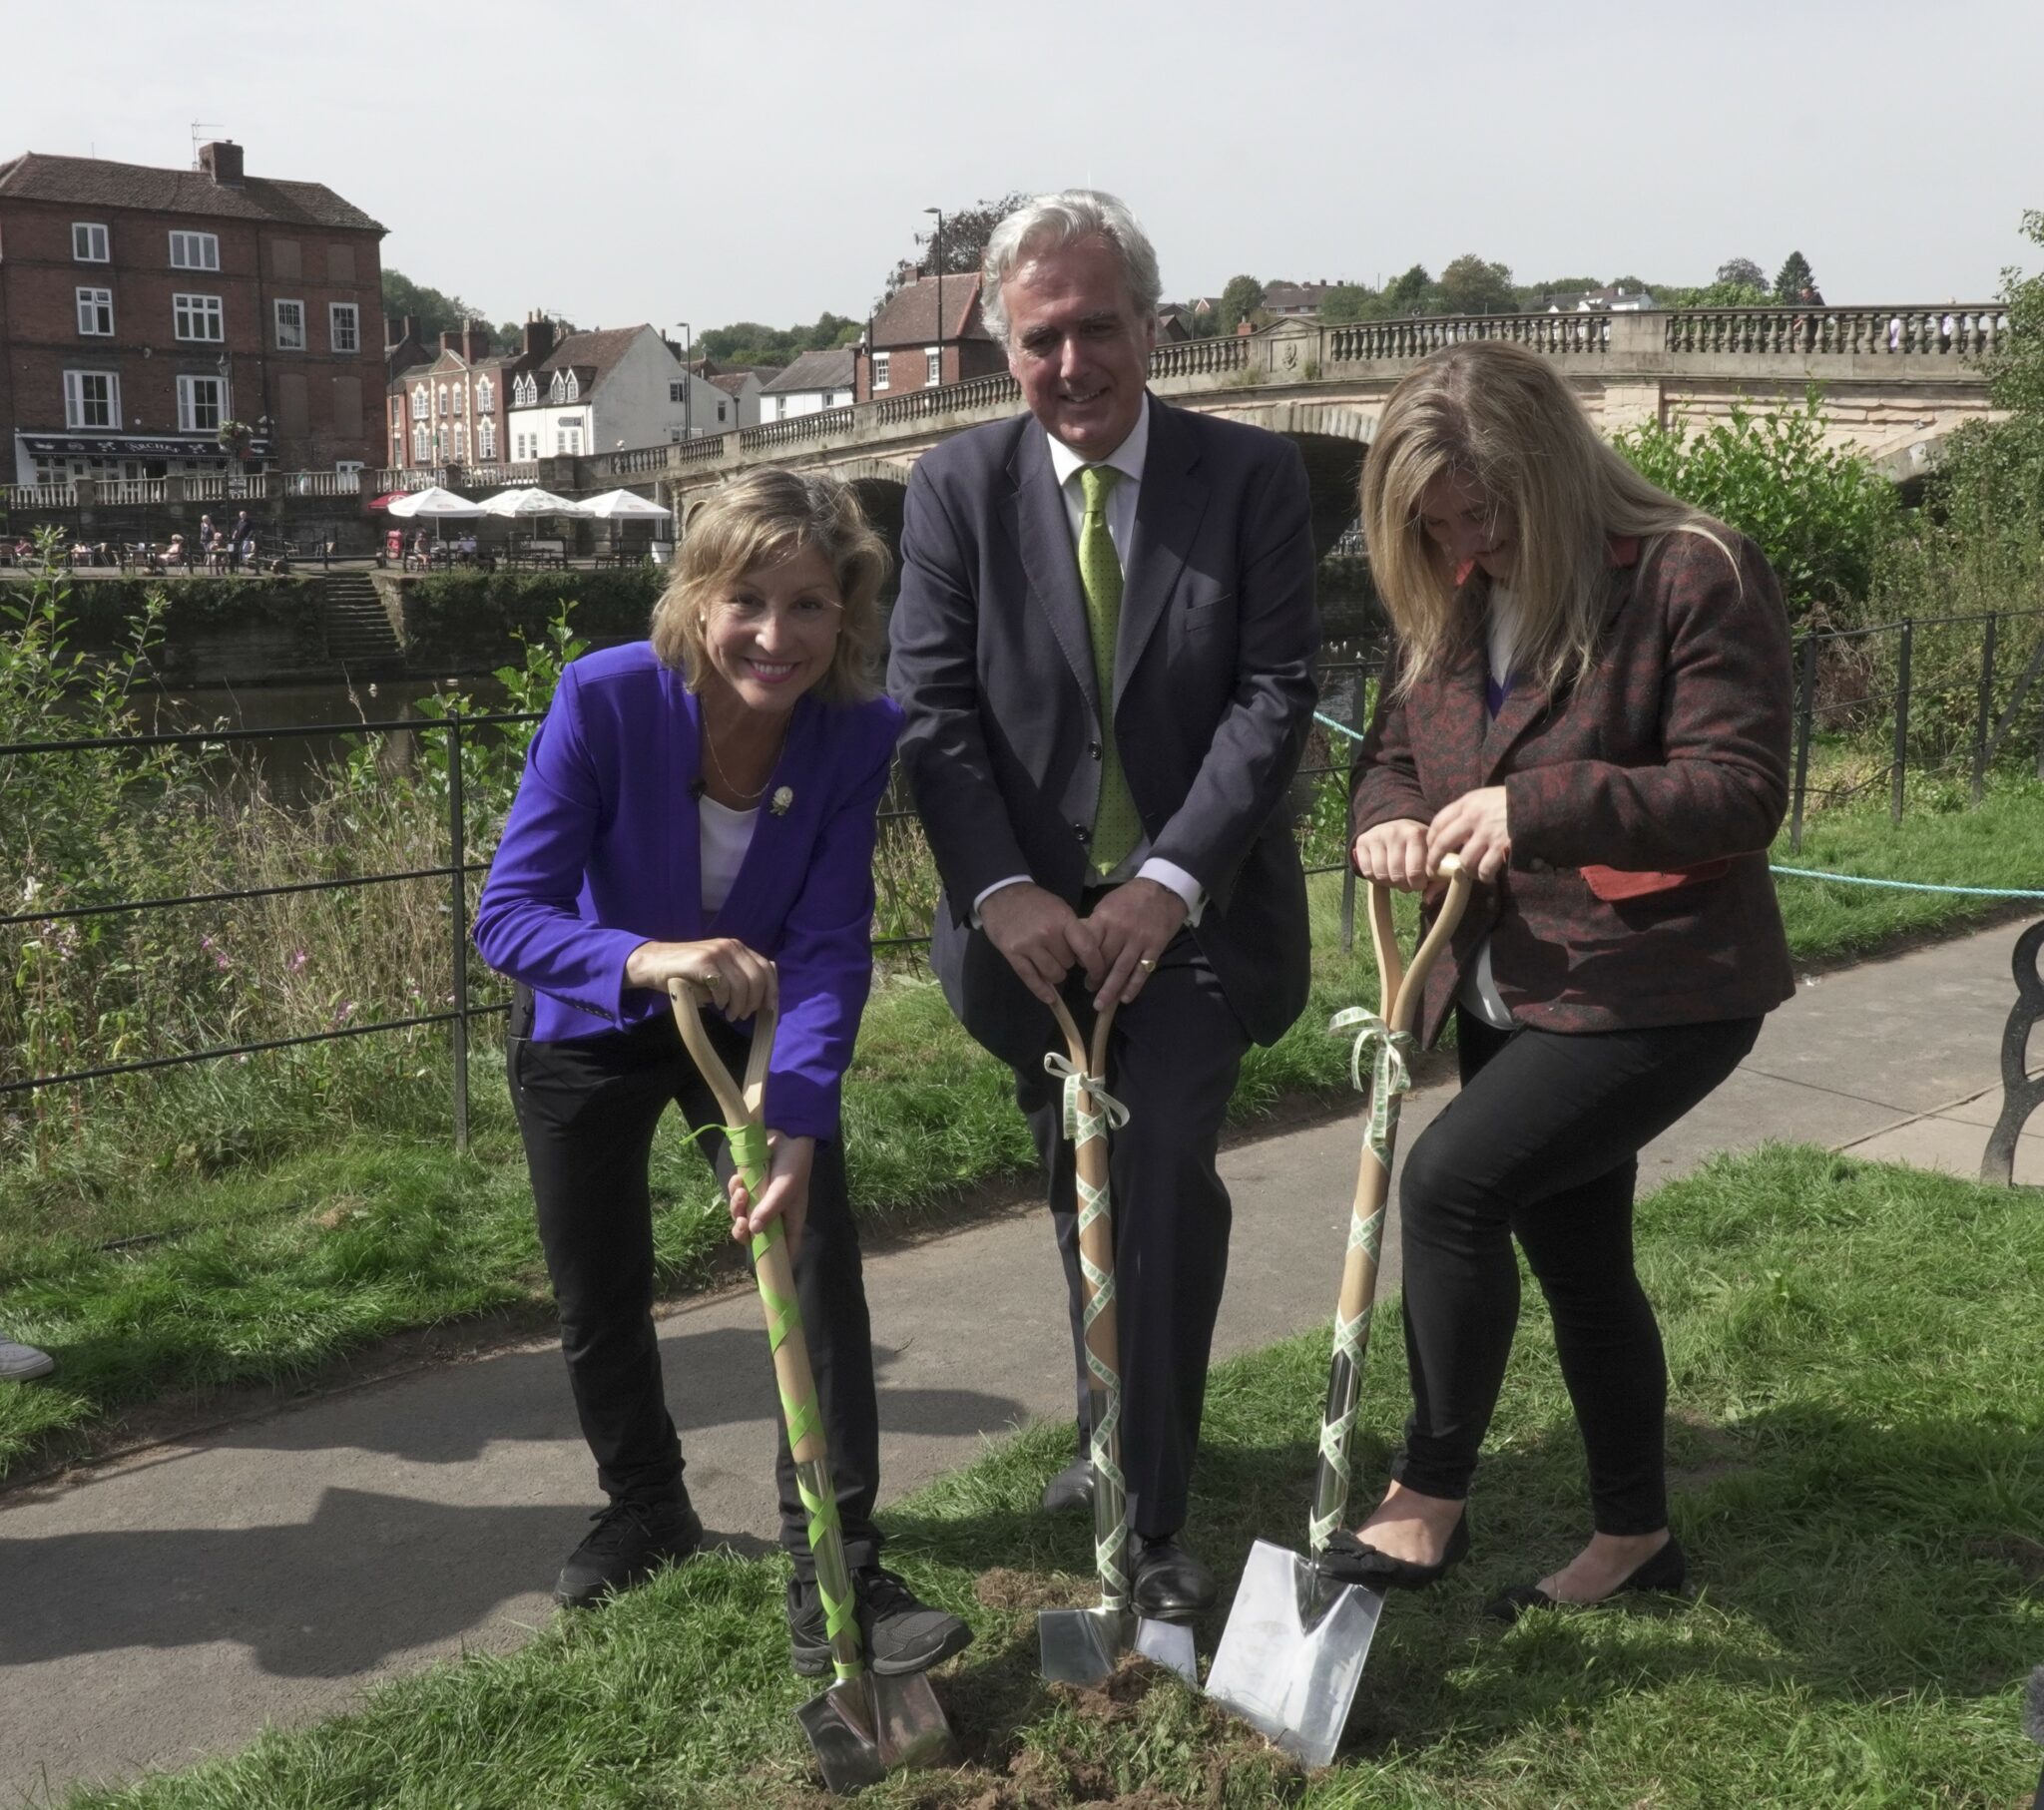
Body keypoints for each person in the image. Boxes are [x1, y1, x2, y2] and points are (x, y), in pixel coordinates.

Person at [887, 191, 1318, 1621]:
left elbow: (1273, 698)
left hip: (1192, 921)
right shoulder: (954, 490)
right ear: (1007, 350)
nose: (1069, 364)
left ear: (1152, 325)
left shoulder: (1250, 481)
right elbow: (929, 712)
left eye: (1094, 329)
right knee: (1074, 1176)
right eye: (1038, 339)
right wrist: (1004, 890)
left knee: (1159, 1181)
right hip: (1025, 938)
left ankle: (1147, 1524)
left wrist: (1166, 881)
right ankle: (1110, 1422)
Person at [473, 469, 971, 1677]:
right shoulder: (603, 701)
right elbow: (508, 916)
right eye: (746, 597)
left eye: (809, 606)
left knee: (810, 1253)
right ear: (696, 598)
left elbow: (831, 940)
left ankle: (836, 1555)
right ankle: (646, 1504)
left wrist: (795, 1119)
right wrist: (644, 954)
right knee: (600, 1287)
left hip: (749, 1026)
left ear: (845, 618)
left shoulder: (855, 732)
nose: (774, 634)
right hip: (596, 1012)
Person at [1332, 339, 1794, 1616]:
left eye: (1482, 513)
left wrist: (1532, 806)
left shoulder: (1688, 572)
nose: (1463, 544)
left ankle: (1426, 1497)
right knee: (1580, 1258)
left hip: (1660, 982)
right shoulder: (1442, 593)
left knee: (1449, 1185)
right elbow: (1386, 757)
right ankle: (1634, 1540)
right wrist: (1385, 821)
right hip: (1508, 982)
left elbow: (1739, 791)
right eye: (1433, 524)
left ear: (1550, 475)